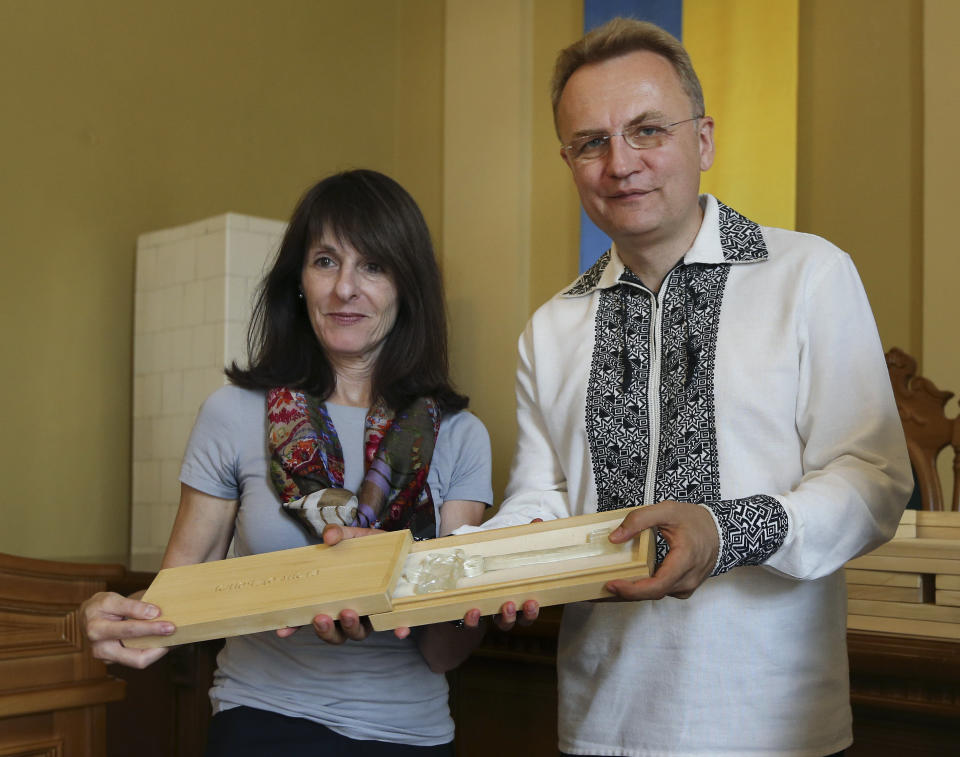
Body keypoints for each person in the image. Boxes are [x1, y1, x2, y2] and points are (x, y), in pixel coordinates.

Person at [477, 18, 913, 757]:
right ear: (568, 161)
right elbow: (541, 494)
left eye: (648, 129)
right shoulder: (551, 327)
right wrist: (473, 564)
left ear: (703, 140)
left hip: (772, 725)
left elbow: (873, 479)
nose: (620, 163)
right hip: (600, 724)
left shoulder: (808, 275)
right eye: (591, 142)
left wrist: (724, 531)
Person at [81, 169, 493, 756]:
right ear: (298, 280)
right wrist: (108, 621)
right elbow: (170, 602)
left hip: (409, 732)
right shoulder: (231, 414)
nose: (345, 288)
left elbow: (442, 651)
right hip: (262, 719)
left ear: (407, 286)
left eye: (373, 266)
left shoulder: (459, 436)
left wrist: (492, 597)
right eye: (326, 261)